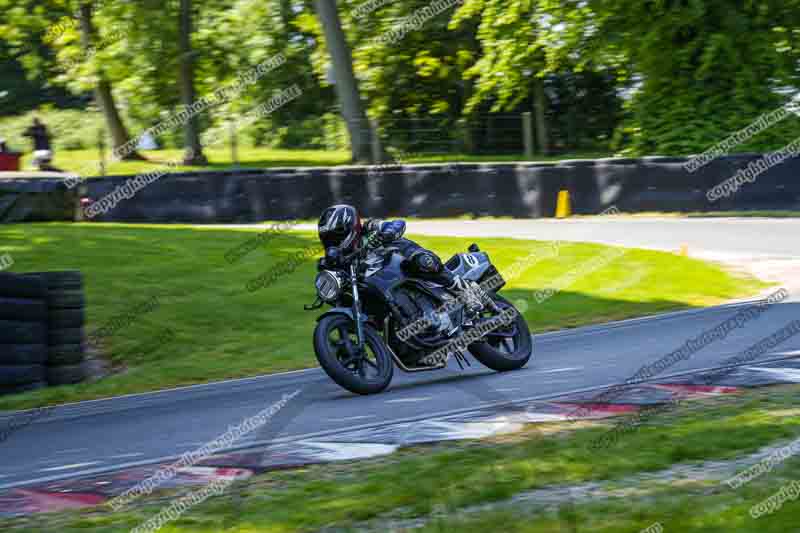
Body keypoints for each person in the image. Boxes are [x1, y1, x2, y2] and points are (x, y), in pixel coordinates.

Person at [317, 204, 488, 313]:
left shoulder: (369, 227)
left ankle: (464, 290)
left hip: (402, 258)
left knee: (422, 262)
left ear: (350, 226)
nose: (333, 243)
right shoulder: (336, 259)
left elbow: (398, 223)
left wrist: (388, 233)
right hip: (383, 285)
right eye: (328, 239)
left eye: (335, 236)